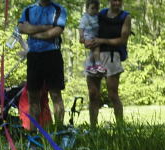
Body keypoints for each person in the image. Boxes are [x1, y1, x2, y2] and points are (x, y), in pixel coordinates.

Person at [17, 0, 67, 128]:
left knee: (56, 94)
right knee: (33, 96)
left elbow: (55, 32)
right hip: (33, 56)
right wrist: (45, 27)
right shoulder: (28, 10)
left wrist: (32, 31)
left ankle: (59, 130)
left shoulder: (59, 9)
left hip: (52, 54)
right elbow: (21, 28)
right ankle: (34, 134)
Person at [82, 0, 131, 126]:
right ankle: (93, 128)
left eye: (119, 0)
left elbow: (123, 40)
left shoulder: (125, 17)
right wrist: (85, 40)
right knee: (93, 94)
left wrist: (101, 40)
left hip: (112, 56)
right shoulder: (100, 14)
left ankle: (120, 126)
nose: (116, 3)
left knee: (112, 94)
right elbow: (87, 25)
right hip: (94, 55)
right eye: (114, 0)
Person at [79, 0, 107, 76]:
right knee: (96, 47)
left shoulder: (97, 16)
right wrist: (81, 37)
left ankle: (90, 66)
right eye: (92, 8)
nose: (94, 10)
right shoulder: (85, 17)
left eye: (96, 8)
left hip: (95, 36)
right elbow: (81, 28)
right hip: (88, 36)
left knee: (93, 51)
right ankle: (98, 65)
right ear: (87, 8)